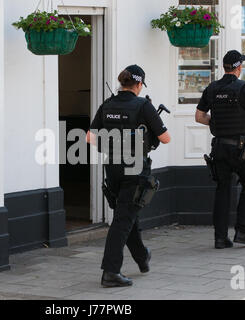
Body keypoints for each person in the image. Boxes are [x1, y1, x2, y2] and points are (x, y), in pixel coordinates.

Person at [86, 65, 171, 288]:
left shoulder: (107, 104)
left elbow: (89, 138)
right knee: (123, 219)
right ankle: (110, 272)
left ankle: (142, 257)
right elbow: (166, 138)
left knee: (126, 213)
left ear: (122, 82)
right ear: (139, 84)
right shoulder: (143, 106)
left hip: (112, 167)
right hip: (134, 168)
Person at [195, 50, 245, 249]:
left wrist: (217, 124)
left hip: (219, 147)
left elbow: (199, 117)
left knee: (222, 189)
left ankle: (220, 238)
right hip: (241, 148)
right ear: (239, 68)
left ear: (225, 67)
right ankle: (243, 232)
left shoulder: (212, 89)